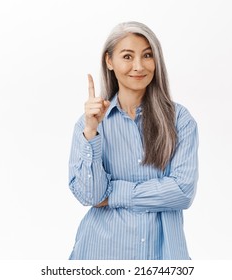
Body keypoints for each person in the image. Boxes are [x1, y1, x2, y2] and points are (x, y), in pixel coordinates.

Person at [68, 21, 199, 260]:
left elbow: (182, 191)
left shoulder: (180, 120)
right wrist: (91, 133)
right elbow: (90, 196)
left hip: (162, 257)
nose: (138, 66)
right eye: (127, 56)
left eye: (147, 55)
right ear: (109, 61)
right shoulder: (90, 125)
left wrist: (114, 193)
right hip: (101, 254)